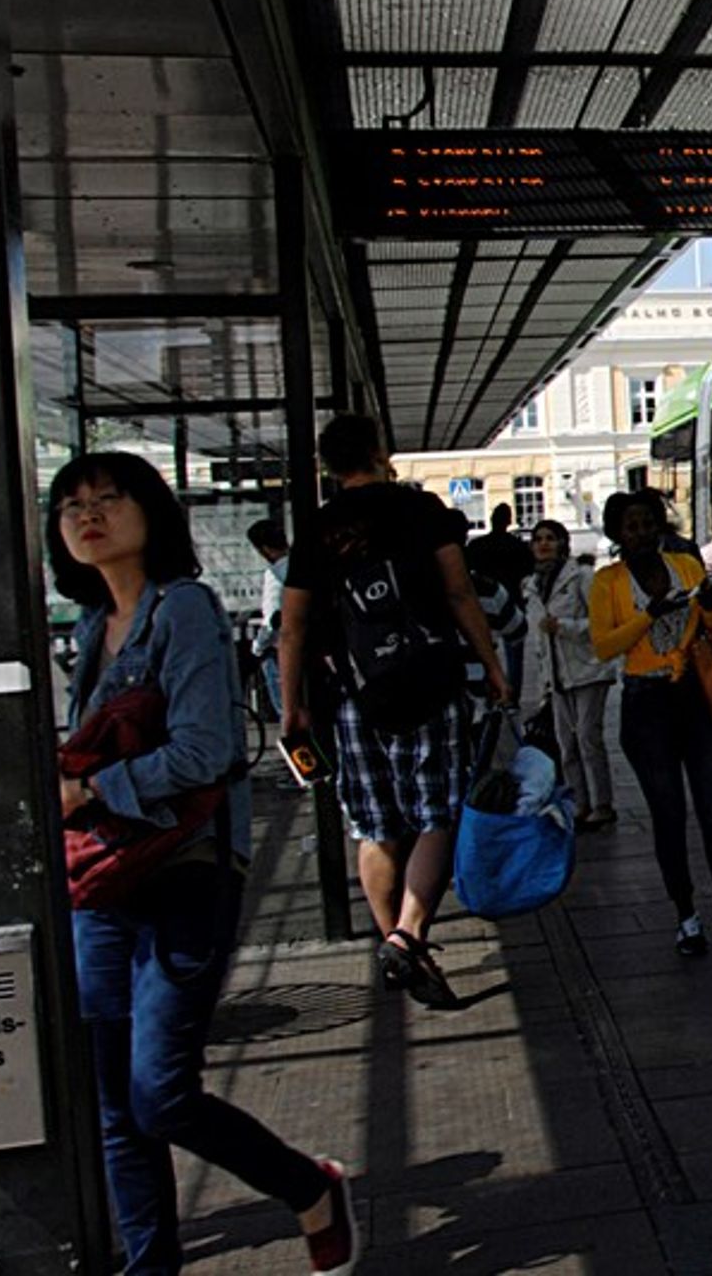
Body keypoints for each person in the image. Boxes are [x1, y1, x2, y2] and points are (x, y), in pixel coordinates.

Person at [48, 453, 357, 1275]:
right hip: (103, 875)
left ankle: (307, 1184)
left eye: (109, 498)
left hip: (184, 863)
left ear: (151, 511)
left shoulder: (183, 609)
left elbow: (207, 750)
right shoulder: (87, 629)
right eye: (73, 503)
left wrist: (93, 788)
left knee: (158, 1089)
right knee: (117, 1102)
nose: (90, 514)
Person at [280, 414, 511, 1010]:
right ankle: (408, 936)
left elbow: (293, 627)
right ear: (382, 452)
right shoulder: (421, 510)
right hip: (429, 684)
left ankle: (396, 944)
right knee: (438, 813)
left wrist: (290, 708)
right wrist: (491, 664)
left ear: (330, 466)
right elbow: (460, 593)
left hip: (354, 699)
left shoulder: (318, 528)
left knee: (376, 827)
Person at [590, 489, 712, 958]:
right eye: (632, 526)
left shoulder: (686, 567)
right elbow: (604, 646)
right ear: (616, 534)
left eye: (649, 523)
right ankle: (686, 917)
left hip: (695, 698)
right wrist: (650, 614)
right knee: (668, 816)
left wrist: (709, 601)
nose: (643, 533)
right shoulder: (607, 582)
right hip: (645, 705)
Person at [521, 519, 618, 831]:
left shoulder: (581, 577)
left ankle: (602, 804)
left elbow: (601, 623)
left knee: (589, 738)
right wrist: (544, 683)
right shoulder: (532, 585)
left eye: (550, 538)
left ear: (563, 543)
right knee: (566, 744)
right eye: (538, 539)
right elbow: (538, 641)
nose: (544, 544)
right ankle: (579, 803)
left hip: (588, 668)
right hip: (558, 674)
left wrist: (565, 627)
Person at [467, 502, 534, 693]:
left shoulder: (478, 545)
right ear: (509, 521)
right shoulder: (518, 546)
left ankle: (493, 690)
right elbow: (528, 571)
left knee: (486, 651)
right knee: (515, 653)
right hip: (513, 601)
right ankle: (513, 694)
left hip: (484, 606)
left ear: (491, 519)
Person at [244, 518, 288, 722]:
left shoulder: (274, 574)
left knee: (286, 710)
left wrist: (258, 648)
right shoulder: (303, 563)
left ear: (264, 549)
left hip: (279, 652)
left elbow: (271, 621)